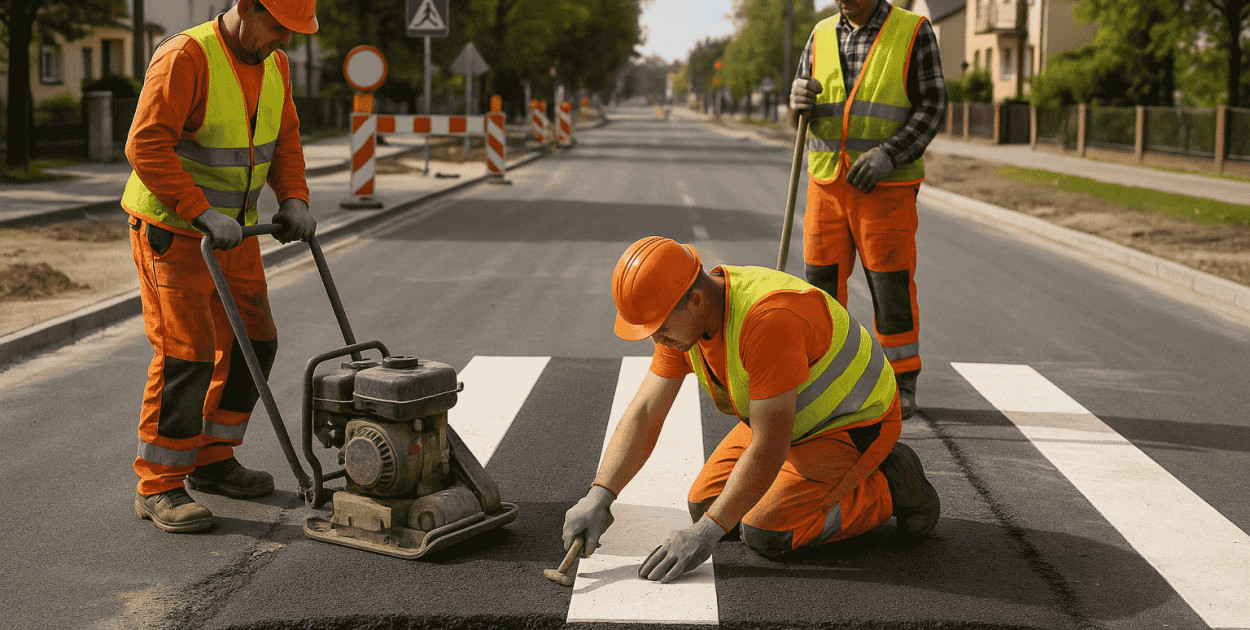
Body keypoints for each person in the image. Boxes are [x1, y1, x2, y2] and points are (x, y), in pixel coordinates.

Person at [562, 236, 940, 583]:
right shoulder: (683, 323)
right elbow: (645, 410)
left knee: (768, 532)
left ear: (694, 299)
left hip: (851, 423)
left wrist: (706, 534)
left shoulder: (768, 320)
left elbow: (769, 446)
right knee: (707, 506)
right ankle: (788, 495)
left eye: (658, 328)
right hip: (787, 419)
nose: (655, 338)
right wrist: (601, 494)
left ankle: (890, 484)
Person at [123, 0, 319, 533]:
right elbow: (145, 144)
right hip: (175, 230)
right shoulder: (186, 56)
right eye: (277, 26)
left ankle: (212, 458)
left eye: (292, 31)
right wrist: (200, 211)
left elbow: (286, 139)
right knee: (186, 353)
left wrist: (294, 198)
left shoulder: (274, 64)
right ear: (247, 8)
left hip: (233, 233)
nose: (284, 39)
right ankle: (159, 485)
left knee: (257, 341)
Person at [789, 0, 948, 418]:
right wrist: (796, 102)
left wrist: (890, 154)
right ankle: (823, 382)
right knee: (819, 290)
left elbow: (932, 107)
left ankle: (901, 383)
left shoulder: (913, 31)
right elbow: (801, 115)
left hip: (886, 187)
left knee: (890, 287)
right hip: (827, 183)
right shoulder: (820, 34)